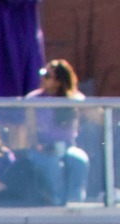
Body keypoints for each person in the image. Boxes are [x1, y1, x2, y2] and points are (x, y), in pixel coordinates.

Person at [25, 59, 90, 206]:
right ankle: (57, 203)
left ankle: (75, 203)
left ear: (59, 81)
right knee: (53, 165)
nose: (42, 78)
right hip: (42, 148)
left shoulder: (73, 99)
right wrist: (40, 146)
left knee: (79, 160)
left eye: (47, 75)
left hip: (67, 147)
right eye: (42, 74)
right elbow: (31, 132)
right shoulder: (33, 100)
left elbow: (95, 115)